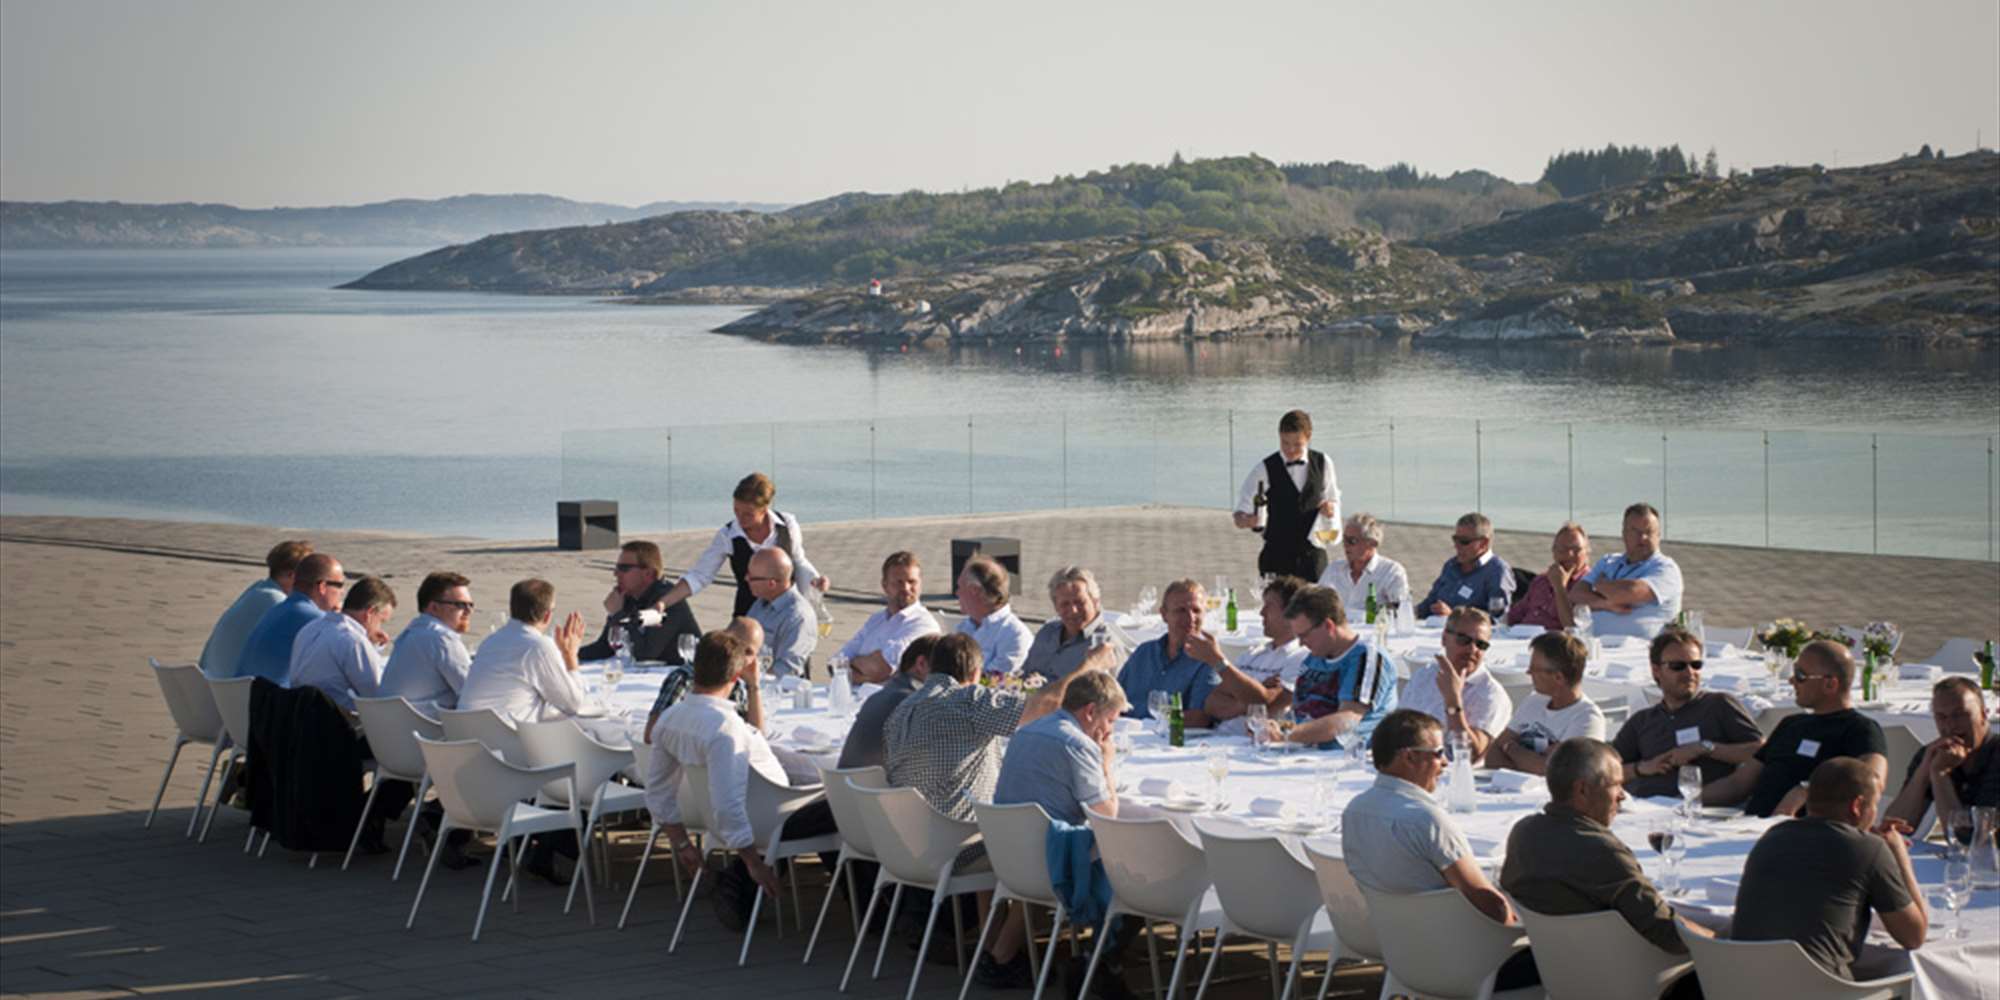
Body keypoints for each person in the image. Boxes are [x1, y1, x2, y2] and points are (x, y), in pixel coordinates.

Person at [647, 630, 830, 932]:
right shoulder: (725, 729)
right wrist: (753, 864)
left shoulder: (670, 718)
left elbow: (657, 790)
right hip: (773, 818)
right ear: (735, 678)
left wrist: (681, 844)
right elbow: (727, 805)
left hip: (733, 816)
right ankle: (875, 908)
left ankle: (740, 887)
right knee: (847, 802)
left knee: (828, 793)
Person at [1343, 709, 1536, 988]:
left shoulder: (1354, 810)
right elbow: (1490, 904)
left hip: (1402, 961)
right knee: (1565, 955)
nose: (1445, 762)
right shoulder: (1425, 819)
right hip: (1470, 970)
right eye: (1438, 753)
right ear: (1409, 757)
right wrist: (1522, 930)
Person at [1501, 739, 1711, 969]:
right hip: (1621, 976)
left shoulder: (1524, 833)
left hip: (1550, 968)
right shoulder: (1602, 851)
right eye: (1617, 785)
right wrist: (1718, 938)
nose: (1623, 796)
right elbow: (1670, 934)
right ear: (1582, 790)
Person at [978, 670, 1129, 989]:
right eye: (1111, 721)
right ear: (1090, 711)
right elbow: (1106, 815)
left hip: (1006, 853)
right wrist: (1106, 764)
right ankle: (1098, 963)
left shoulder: (1026, 731)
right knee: (1133, 869)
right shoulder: (1078, 744)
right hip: (1049, 863)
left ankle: (999, 955)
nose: (1109, 731)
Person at [1732, 757, 1927, 981]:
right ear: (1857, 806)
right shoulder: (1868, 849)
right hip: (1819, 988)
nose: (1875, 814)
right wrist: (1899, 854)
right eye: (1874, 805)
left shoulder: (1773, 837)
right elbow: (1914, 936)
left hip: (1744, 983)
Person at [1705, 639, 1887, 817]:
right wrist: (1690, 798)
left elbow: (1871, 783)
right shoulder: (1791, 724)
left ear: (1830, 684)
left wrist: (1806, 790)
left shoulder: (1861, 729)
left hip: (1805, 832)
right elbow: (1738, 784)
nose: (1792, 680)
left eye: (1801, 675)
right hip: (1752, 828)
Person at [647, 472, 829, 618]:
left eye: (748, 514)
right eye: (736, 511)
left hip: (788, 614)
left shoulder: (787, 524)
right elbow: (700, 575)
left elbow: (798, 561)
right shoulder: (727, 535)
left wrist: (815, 580)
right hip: (747, 615)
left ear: (764, 509)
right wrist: (663, 602)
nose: (740, 519)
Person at [1611, 625, 1763, 799]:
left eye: (1696, 665)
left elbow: (1761, 752)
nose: (1690, 672)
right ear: (1656, 671)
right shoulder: (1642, 720)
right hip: (1644, 806)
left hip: (1701, 807)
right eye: (1678, 666)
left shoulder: (1719, 705)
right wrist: (1642, 768)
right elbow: (1605, 770)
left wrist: (1705, 748)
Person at [1265, 584, 1397, 750]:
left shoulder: (1366, 658)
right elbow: (1299, 711)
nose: (1301, 643)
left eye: (1304, 635)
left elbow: (1349, 719)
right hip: (1302, 750)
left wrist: (1287, 734)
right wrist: (1274, 726)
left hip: (1343, 756)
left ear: (1329, 626)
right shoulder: (1313, 657)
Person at [458, 579, 603, 727]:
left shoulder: (491, 640)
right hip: (504, 736)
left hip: (464, 732)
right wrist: (570, 655)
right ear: (547, 615)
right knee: (589, 728)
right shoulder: (537, 646)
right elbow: (573, 704)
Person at [1232, 409, 1341, 581]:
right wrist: (1246, 520)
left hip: (1313, 557)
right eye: (1285, 443)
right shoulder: (1264, 468)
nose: (1290, 449)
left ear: (1308, 437)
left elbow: (1332, 499)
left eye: (1297, 444)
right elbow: (1239, 514)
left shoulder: (1323, 463)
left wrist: (1330, 509)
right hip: (1277, 557)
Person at [1884, 676, 1999, 828]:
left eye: (1960, 715)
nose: (1950, 725)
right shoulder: (1934, 754)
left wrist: (1940, 774)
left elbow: (1970, 834)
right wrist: (1925, 770)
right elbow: (1895, 824)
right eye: (1941, 717)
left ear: (1984, 715)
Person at [1399, 606, 1513, 759]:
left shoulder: (1491, 694)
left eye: (1481, 645)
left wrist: (1453, 700)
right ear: (1444, 639)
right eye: (1464, 640)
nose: (1472, 649)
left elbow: (1471, 754)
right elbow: (1398, 729)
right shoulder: (1424, 676)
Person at [1486, 632, 1606, 775]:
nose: (1528, 672)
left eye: (1534, 669)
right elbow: (1492, 756)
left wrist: (1512, 749)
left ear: (1558, 677)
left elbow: (1559, 773)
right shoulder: (1534, 700)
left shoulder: (1587, 719)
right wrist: (1536, 760)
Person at [1198, 575, 1312, 721]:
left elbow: (1274, 705)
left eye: (1269, 606)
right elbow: (1211, 704)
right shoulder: (1252, 654)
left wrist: (1239, 695)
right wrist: (1257, 691)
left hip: (1256, 734)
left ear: (1290, 613)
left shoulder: (1302, 657)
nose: (1261, 612)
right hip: (1220, 733)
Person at [1115, 580, 1223, 728]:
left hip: (1172, 737)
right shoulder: (1144, 653)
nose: (1190, 618)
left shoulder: (1208, 661)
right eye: (1181, 610)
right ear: (1164, 614)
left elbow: (1200, 718)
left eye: (1196, 610)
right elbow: (1113, 700)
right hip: (1125, 733)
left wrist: (1153, 724)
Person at [1566, 503, 1682, 639]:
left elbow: (1628, 592)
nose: (1643, 538)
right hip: (1594, 643)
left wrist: (1600, 585)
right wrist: (1607, 604)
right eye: (1635, 531)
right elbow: (1576, 595)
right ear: (1624, 534)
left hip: (1639, 648)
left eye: (1649, 532)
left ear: (1658, 535)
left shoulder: (1666, 568)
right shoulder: (1608, 561)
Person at [641, 617, 765, 743]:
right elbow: (652, 734)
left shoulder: (737, 686)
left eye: (748, 652)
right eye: (734, 646)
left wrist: (753, 686)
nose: (739, 655)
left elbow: (756, 739)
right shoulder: (685, 678)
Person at [199, 539, 312, 678]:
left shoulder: (257, 589)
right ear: (292, 576)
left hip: (211, 679)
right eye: (312, 577)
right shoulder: (277, 601)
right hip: (233, 686)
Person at [577, 540, 701, 665]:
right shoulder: (628, 596)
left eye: (624, 568)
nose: (616, 574)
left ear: (648, 573)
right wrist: (569, 653)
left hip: (687, 672)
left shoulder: (667, 600)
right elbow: (604, 648)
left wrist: (618, 614)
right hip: (652, 671)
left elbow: (645, 654)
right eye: (617, 568)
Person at [287, 576, 395, 713]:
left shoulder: (311, 628)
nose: (379, 628)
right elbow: (377, 694)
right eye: (381, 621)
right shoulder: (353, 640)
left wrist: (371, 646)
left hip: (298, 713)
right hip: (335, 719)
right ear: (369, 613)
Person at [234, 553, 344, 684]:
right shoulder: (314, 618)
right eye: (340, 585)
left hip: (237, 692)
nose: (342, 592)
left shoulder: (279, 608)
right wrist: (341, 619)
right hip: (267, 695)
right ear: (322, 587)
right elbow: (347, 660)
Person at [837, 551, 941, 685]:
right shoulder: (876, 619)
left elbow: (881, 669)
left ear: (920, 584)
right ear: (884, 586)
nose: (906, 588)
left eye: (912, 582)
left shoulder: (924, 624)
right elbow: (836, 662)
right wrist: (866, 669)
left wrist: (851, 666)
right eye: (899, 582)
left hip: (891, 697)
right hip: (854, 693)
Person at [836, 635, 939, 770]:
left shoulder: (881, 695)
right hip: (871, 783)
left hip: (843, 781)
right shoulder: (912, 703)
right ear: (921, 664)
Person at [379, 571, 474, 714]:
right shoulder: (441, 638)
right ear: (434, 608)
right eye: (460, 605)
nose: (468, 611)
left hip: (388, 722)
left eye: (470, 605)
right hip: (425, 725)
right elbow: (472, 693)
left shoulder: (410, 633)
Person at [1021, 566, 1129, 682]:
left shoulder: (1106, 645)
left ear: (1095, 602)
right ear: (1056, 607)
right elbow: (1024, 675)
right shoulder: (1047, 633)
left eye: (1079, 602)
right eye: (1065, 604)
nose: (1073, 610)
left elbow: (1117, 691)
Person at [1418, 513, 1515, 619]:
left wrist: (1453, 617)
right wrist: (1411, 612)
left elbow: (1498, 619)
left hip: (1464, 629)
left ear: (1483, 543)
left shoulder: (1498, 572)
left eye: (1464, 541)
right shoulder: (1451, 565)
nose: (1456, 546)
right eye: (1455, 539)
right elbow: (1429, 603)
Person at [1316, 513, 1409, 619]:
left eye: (1352, 541)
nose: (1345, 545)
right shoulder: (1334, 569)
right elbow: (1315, 604)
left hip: (1373, 628)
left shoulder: (1391, 572)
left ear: (1372, 543)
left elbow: (1400, 610)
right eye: (1344, 540)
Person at [953, 556, 1034, 676]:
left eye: (960, 587)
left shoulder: (1014, 635)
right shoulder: (964, 627)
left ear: (975, 590)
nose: (957, 593)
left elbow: (995, 681)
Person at [744, 548, 816, 679]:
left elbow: (787, 669)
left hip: (773, 687)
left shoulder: (798, 616)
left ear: (771, 584)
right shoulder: (761, 602)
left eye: (752, 578)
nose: (746, 579)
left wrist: (749, 679)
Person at [1504, 523, 1589, 632]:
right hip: (1522, 636)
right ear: (1554, 552)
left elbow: (1573, 629)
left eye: (1576, 550)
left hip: (1553, 640)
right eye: (1562, 549)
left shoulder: (1588, 584)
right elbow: (1513, 616)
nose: (1569, 554)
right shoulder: (1541, 581)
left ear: (1587, 552)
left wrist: (1559, 587)